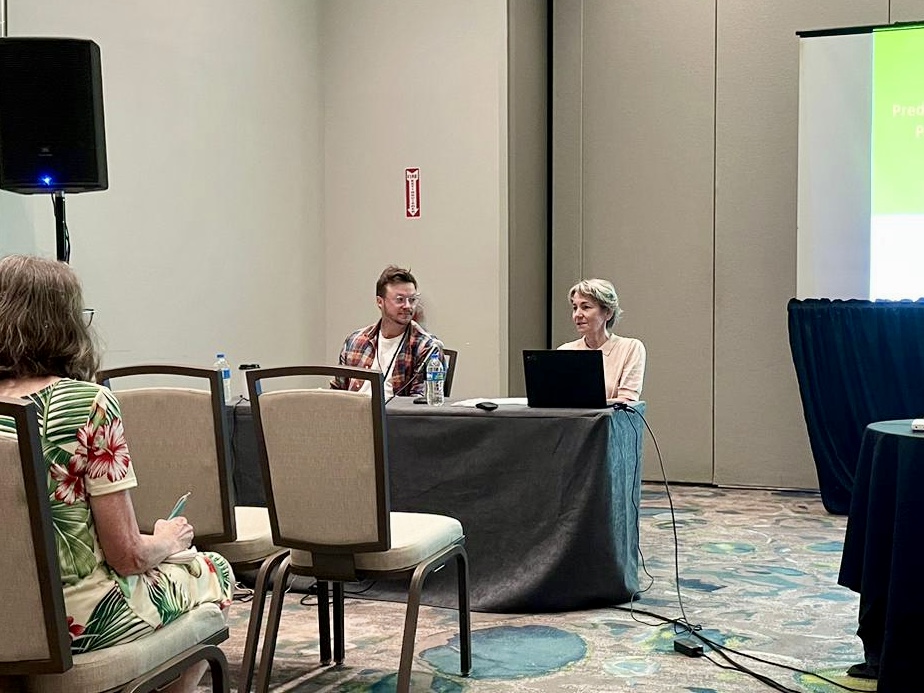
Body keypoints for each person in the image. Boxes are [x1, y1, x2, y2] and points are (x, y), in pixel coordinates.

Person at [0, 255, 233, 693]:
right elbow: (126, 556)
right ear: (66, 323)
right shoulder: (88, 403)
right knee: (212, 569)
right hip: (72, 622)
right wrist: (167, 538)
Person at [331, 264, 443, 397]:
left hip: (394, 416)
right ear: (380, 302)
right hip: (353, 414)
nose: (408, 306)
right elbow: (337, 391)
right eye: (400, 300)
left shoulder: (427, 347)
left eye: (412, 300)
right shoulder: (355, 341)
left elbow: (420, 406)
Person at [557, 278, 646, 402]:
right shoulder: (564, 351)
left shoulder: (630, 348)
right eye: (575, 308)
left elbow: (627, 400)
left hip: (610, 421)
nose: (577, 314)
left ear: (608, 313)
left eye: (586, 307)